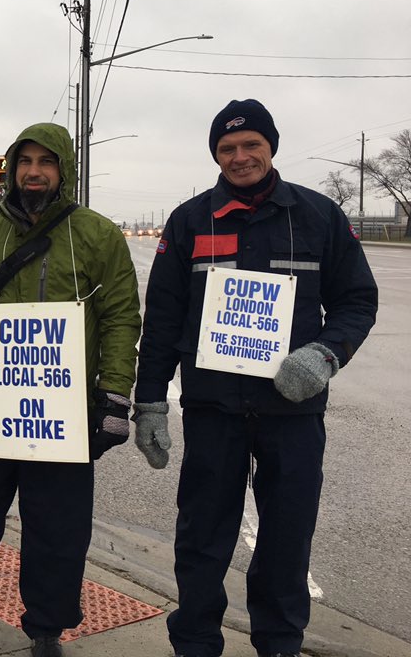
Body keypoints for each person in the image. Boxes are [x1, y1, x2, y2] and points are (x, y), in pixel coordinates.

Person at [133, 99, 378, 657]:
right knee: (201, 540)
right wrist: (149, 402)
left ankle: (280, 644)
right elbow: (165, 319)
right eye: (227, 148)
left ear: (270, 146)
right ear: (215, 155)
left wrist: (325, 353)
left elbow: (357, 301)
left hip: (292, 414)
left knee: (286, 541)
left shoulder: (319, 217)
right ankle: (195, 644)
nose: (239, 157)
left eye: (250, 146)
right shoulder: (190, 221)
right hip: (212, 410)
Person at [0, 123, 142, 657]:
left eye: (46, 162)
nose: (34, 172)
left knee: (57, 529)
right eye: (24, 162)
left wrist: (115, 396)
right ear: (12, 170)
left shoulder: (97, 234)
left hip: (63, 411)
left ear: (63, 170)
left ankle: (46, 628)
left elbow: (120, 317)